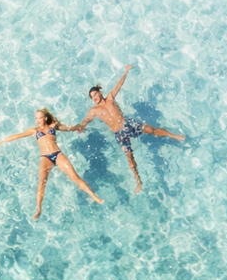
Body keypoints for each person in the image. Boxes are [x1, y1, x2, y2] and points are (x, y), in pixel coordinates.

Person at [72, 65, 185, 193]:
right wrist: (81, 127)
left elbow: (119, 85)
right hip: (119, 133)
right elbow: (86, 120)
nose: (94, 98)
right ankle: (138, 180)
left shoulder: (110, 98)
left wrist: (126, 71)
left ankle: (175, 136)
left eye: (95, 94)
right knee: (129, 157)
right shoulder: (94, 110)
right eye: (92, 97)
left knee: (152, 130)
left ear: (99, 92)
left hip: (128, 123)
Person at [0, 108, 104, 219]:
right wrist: (2, 141)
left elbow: (68, 128)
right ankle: (38, 209)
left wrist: (78, 127)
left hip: (57, 154)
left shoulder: (53, 126)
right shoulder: (34, 130)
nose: (37, 120)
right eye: (36, 118)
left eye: (39, 118)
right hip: (45, 157)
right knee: (42, 183)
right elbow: (18, 135)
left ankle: (94, 197)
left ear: (45, 118)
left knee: (74, 176)